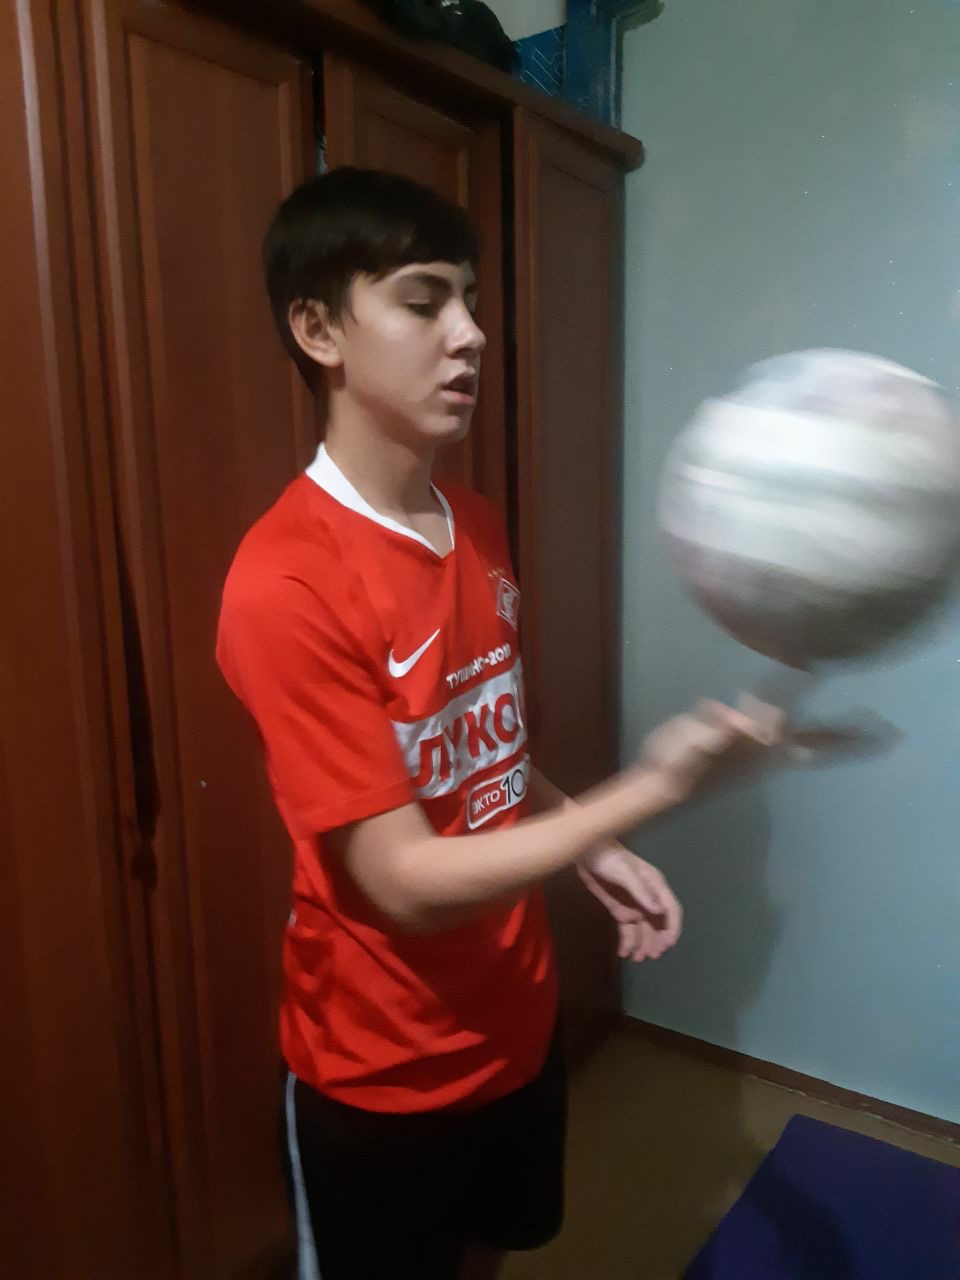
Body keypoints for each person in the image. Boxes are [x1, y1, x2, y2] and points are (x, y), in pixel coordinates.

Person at [215, 167, 782, 1280]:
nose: (470, 334)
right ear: (319, 330)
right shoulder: (285, 582)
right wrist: (649, 791)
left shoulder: (470, 522)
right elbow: (402, 878)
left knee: (490, 1257)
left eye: (470, 300)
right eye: (423, 301)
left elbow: (489, 761)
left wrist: (591, 845)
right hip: (380, 1069)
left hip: (517, 1024)